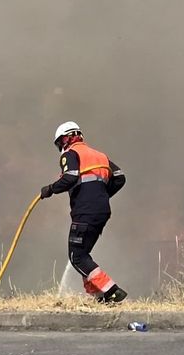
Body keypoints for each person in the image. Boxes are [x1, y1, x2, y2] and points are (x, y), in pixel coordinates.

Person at [39, 121, 128, 303]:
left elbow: (70, 177)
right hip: (101, 211)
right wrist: (102, 194)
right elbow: (119, 177)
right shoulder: (99, 155)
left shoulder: (71, 154)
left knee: (76, 256)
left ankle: (111, 290)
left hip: (85, 212)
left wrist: (50, 189)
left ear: (65, 139)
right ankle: (99, 296)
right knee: (82, 255)